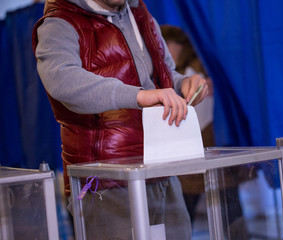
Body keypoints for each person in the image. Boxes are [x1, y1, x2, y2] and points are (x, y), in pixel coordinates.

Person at [32, 0, 208, 239]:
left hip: (161, 168)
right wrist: (138, 95)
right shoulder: (60, 21)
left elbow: (162, 74)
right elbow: (63, 81)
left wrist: (182, 83)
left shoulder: (141, 14)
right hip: (105, 180)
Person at [161, 25, 252, 240]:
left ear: (180, 44)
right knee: (188, 207)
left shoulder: (200, 68)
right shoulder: (177, 73)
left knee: (225, 204)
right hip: (193, 147)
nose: (166, 50)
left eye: (168, 45)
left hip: (210, 143)